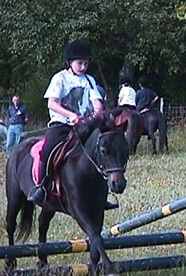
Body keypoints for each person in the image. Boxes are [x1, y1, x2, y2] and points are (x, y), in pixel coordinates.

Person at [27, 40, 118, 210]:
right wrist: (71, 115)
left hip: (84, 125)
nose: (83, 67)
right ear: (70, 62)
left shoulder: (90, 80)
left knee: (100, 150)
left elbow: (97, 104)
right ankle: (41, 186)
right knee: (48, 150)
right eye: (80, 63)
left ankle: (102, 192)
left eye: (86, 63)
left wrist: (96, 116)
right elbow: (52, 103)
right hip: (61, 124)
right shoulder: (60, 78)